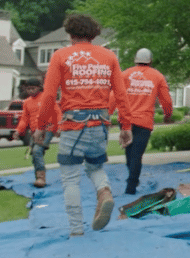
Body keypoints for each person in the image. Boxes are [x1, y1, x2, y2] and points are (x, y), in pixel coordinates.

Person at [36, 14, 130, 237]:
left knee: (70, 177)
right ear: (95, 34)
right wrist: (126, 126)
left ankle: (77, 229)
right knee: (95, 167)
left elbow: (49, 95)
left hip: (73, 122)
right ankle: (104, 191)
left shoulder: (61, 56)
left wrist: (42, 125)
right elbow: (121, 94)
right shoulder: (109, 56)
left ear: (70, 34)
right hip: (100, 121)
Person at [119, 48, 174, 195]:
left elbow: (114, 95)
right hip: (144, 122)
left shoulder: (125, 74)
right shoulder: (157, 76)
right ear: (150, 60)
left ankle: (132, 178)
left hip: (126, 121)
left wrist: (108, 113)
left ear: (135, 59)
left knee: (129, 153)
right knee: (137, 155)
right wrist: (167, 114)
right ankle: (131, 186)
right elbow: (166, 99)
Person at [14, 77, 59, 188]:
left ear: (39, 87)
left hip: (47, 128)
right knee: (35, 154)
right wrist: (18, 131)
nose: (30, 91)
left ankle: (40, 178)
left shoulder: (47, 98)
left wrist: (59, 127)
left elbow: (57, 112)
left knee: (37, 150)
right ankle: (38, 177)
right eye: (28, 89)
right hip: (34, 131)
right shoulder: (27, 102)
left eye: (33, 88)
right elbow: (24, 119)